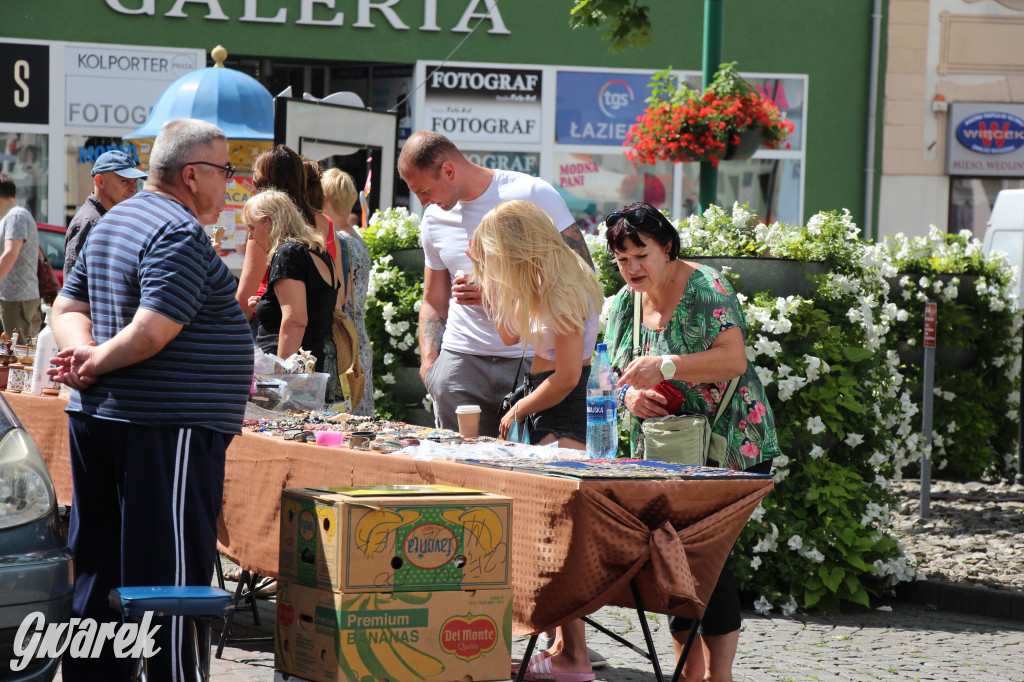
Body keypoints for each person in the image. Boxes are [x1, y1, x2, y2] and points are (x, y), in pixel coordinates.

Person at [47, 118, 254, 682]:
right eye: (225, 171)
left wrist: (85, 354)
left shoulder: (116, 219)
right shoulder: (177, 230)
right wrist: (92, 360)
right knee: (170, 575)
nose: (229, 183)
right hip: (164, 425)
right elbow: (152, 330)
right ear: (192, 175)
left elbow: (67, 310)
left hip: (109, 418)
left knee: (101, 565)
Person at [602, 202, 781, 682]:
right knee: (671, 557)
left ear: (667, 247)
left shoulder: (706, 286)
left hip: (732, 445)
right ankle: (689, 672)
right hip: (669, 453)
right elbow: (615, 375)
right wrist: (631, 398)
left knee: (705, 560)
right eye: (622, 259)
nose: (632, 268)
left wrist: (666, 366)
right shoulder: (624, 303)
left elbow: (734, 360)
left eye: (641, 255)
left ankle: (718, 676)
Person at [471, 200, 602, 681]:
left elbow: (566, 376)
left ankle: (573, 657)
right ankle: (565, 649)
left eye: (495, 254)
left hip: (559, 406)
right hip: (549, 400)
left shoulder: (563, 286)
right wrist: (492, 284)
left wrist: (518, 409)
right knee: (551, 535)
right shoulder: (554, 279)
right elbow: (511, 335)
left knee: (555, 537)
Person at [398, 130, 594, 437]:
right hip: (462, 361)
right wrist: (431, 367)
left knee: (520, 463)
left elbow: (579, 273)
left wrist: (495, 288)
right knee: (457, 463)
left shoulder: (532, 193)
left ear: (448, 170)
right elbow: (433, 299)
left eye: (423, 191)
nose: (424, 202)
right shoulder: (433, 218)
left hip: (531, 361)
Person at [245, 189, 340, 372]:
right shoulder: (317, 251)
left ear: (268, 222)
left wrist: (282, 374)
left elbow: (295, 321)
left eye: (252, 227)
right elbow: (316, 305)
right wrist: (269, 304)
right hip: (315, 364)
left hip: (296, 371)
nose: (251, 236)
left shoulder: (287, 253)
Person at [322, 167, 374, 416]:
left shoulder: (338, 242)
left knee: (343, 418)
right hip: (358, 337)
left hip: (342, 341)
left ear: (324, 198)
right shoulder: (356, 239)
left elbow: (338, 297)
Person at [63, 149, 148, 280]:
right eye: (124, 181)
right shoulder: (89, 221)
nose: (132, 189)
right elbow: (72, 283)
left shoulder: (111, 218)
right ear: (100, 182)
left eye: (134, 182)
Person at [0, 172, 41, 339]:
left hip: (17, 300)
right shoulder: (10, 217)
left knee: (17, 352)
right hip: (12, 299)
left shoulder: (16, 216)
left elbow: (10, 253)